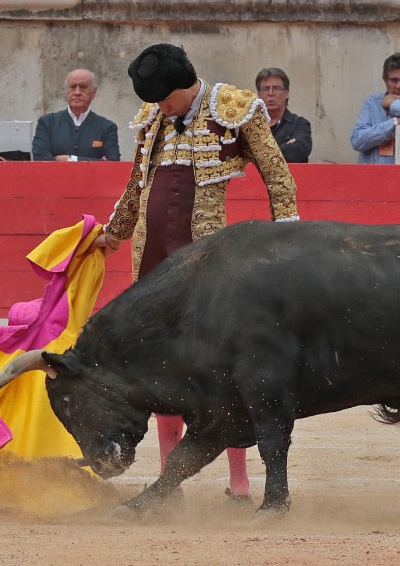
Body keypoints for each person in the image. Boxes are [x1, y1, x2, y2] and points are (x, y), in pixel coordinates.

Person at [91, 43, 299, 502]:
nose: (160, 108)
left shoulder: (235, 109)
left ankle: (240, 483)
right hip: (152, 259)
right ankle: (169, 483)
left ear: (186, 86)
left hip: (206, 263)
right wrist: (113, 233)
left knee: (223, 371)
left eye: (166, 99)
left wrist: (287, 237)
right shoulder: (153, 120)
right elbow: (136, 186)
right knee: (159, 365)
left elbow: (277, 172)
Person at [31, 69, 120, 161]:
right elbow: (40, 159)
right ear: (66, 91)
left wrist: (71, 159)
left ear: (93, 92)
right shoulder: (47, 123)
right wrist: (98, 161)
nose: (77, 92)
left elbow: (113, 163)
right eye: (72, 87)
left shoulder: (107, 128)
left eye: (83, 87)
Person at [256, 67, 312, 163]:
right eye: (265, 89)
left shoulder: (299, 124)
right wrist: (285, 146)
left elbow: (298, 151)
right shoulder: (250, 126)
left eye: (276, 88)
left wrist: (259, 152)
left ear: (286, 93)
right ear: (259, 94)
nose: (270, 93)